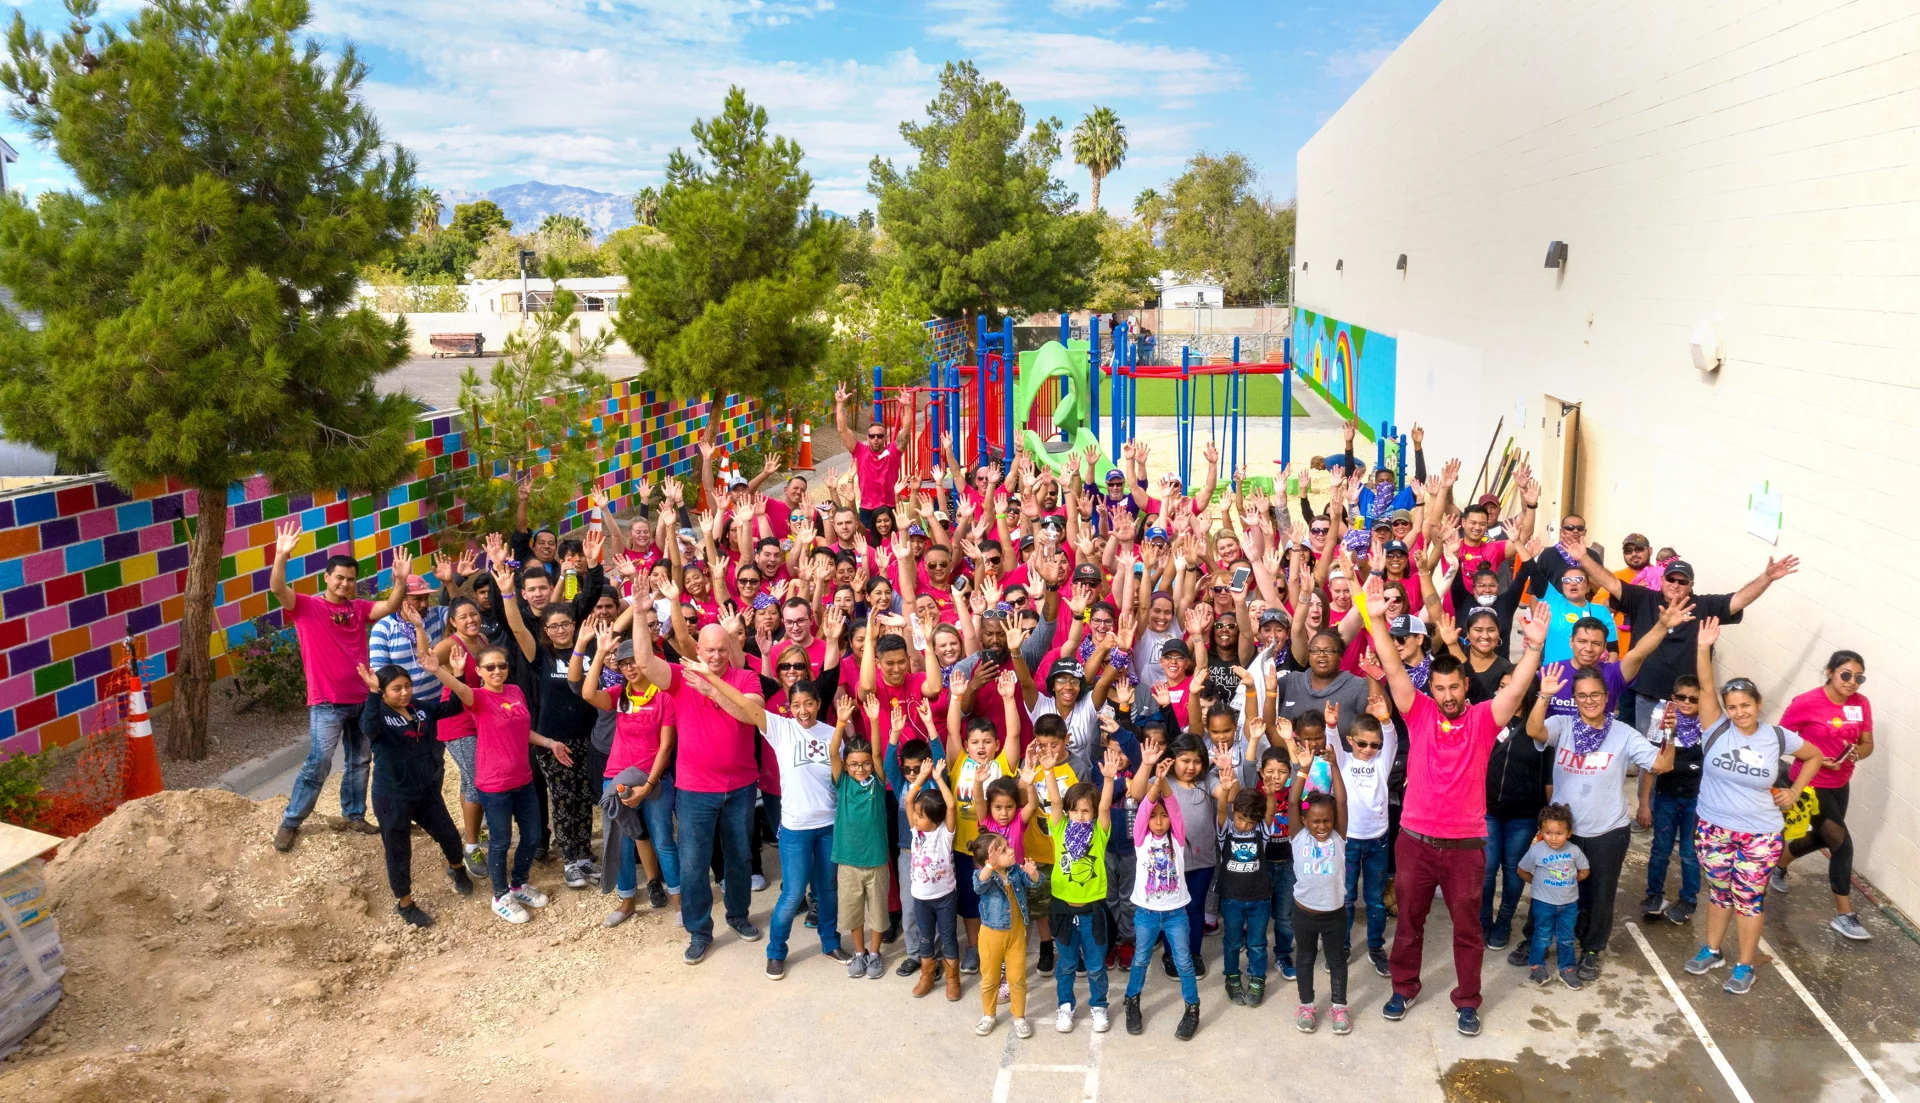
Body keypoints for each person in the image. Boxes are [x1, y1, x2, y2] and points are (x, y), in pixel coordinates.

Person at [1371, 589, 1547, 1037]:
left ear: (1466, 687)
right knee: (1409, 923)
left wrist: (1534, 647)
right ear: (1430, 688)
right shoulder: (1419, 713)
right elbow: (1392, 667)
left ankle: (1467, 1001)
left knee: (1468, 930)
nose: (1447, 695)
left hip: (1466, 846)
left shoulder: (1486, 719)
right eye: (1440, 688)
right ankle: (1403, 988)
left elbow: (1521, 687)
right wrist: (1375, 620)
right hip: (1415, 841)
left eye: (1454, 687)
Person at [1682, 617, 1825, 994]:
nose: (1739, 712)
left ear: (1758, 704)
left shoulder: (1777, 737)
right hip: (1713, 828)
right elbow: (1706, 685)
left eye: (1745, 705)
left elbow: (1814, 756)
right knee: (1718, 892)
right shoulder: (1714, 727)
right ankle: (1712, 949)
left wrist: (1794, 790)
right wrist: (1702, 648)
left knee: (1747, 900)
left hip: (1759, 834)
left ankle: (1745, 965)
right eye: (1732, 706)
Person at [690, 669, 851, 978]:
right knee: (792, 894)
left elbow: (838, 780)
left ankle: (830, 943)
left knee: (828, 890)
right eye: (796, 705)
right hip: (795, 829)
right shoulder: (780, 728)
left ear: (818, 703)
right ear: (788, 708)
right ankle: (776, 951)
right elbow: (741, 702)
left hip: (829, 826)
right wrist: (710, 678)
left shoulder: (834, 732)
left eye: (809, 704)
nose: (803, 711)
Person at [1524, 663, 1675, 983]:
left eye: (1595, 694)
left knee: (1600, 895)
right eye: (1582, 695)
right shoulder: (1562, 724)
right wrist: (1544, 696)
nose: (1589, 700)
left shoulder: (1623, 734)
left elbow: (1661, 764)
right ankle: (1537, 940)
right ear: (1574, 699)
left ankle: (1591, 950)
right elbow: (1534, 731)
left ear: (1608, 697)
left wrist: (1669, 734)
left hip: (1607, 831)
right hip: (1562, 834)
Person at [268, 519, 413, 851]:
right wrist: (281, 557)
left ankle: (354, 814)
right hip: (327, 702)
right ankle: (291, 821)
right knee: (319, 762)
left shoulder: (357, 608)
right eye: (340, 578)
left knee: (360, 761)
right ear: (327, 578)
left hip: (363, 699)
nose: (345, 584)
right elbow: (278, 588)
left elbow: (390, 606)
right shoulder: (307, 607)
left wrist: (401, 580)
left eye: (351, 579)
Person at [635, 615, 766, 964]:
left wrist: (712, 687)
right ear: (698, 648)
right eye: (709, 649)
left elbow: (750, 712)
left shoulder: (746, 676)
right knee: (693, 864)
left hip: (739, 786)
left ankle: (738, 916)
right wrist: (638, 613)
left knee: (740, 857)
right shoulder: (680, 677)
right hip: (694, 789)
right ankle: (699, 931)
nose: (716, 655)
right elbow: (645, 661)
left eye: (723, 648)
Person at [423, 639, 575, 923]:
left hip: (523, 779)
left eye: (502, 666)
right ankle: (500, 896)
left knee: (531, 837)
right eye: (489, 667)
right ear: (479, 671)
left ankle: (518, 885)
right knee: (500, 841)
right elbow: (460, 689)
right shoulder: (477, 697)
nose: (497, 671)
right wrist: (439, 670)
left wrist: (549, 742)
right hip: (494, 784)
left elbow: (522, 729)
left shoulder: (515, 691)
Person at [353, 652, 473, 927]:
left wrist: (457, 674)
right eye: (396, 689)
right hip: (393, 796)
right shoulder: (378, 714)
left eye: (407, 686)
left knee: (449, 835)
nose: (405, 692)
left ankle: (457, 871)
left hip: (426, 791)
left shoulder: (420, 708)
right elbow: (368, 727)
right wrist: (372, 693)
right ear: (383, 692)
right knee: (398, 849)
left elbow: (454, 707)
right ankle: (405, 904)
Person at [578, 617, 679, 929]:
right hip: (616, 777)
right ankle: (626, 901)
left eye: (635, 660)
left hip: (654, 780)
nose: (631, 667)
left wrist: (647, 787)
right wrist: (598, 653)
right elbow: (587, 694)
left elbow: (666, 747)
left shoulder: (664, 695)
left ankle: (679, 901)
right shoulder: (619, 694)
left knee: (662, 839)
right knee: (619, 842)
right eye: (624, 663)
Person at [1772, 650, 1874, 940]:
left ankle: (1779, 865)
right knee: (1841, 843)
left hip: (1841, 782)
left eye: (1859, 677)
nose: (1852, 682)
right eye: (1846, 674)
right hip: (1810, 783)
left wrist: (1857, 753)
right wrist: (1813, 756)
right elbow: (1780, 739)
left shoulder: (1861, 704)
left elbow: (1867, 743)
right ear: (1830, 671)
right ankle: (1845, 915)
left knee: (1822, 836)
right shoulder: (1806, 703)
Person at [1042, 745, 1124, 1034]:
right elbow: (1053, 801)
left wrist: (1110, 779)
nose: (1079, 815)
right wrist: (1049, 771)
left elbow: (1104, 806)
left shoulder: (1099, 833)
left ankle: (1099, 1006)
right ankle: (1065, 1006)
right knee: (1065, 965)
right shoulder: (1060, 827)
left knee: (1096, 966)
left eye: (1084, 810)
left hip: (1092, 911)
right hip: (1063, 909)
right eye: (1074, 810)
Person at [1122, 760, 1201, 1041]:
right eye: (1153, 816)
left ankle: (1192, 1007)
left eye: (1163, 816)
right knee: (1141, 959)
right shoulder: (1141, 838)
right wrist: (1155, 783)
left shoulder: (1177, 838)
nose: (1157, 821)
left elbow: (1172, 804)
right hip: (1146, 912)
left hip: (1176, 913)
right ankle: (1132, 1001)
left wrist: (1164, 780)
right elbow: (1145, 807)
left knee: (1184, 962)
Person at [1285, 722, 1351, 1035]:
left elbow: (1340, 802)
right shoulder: (1298, 837)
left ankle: (1339, 1007)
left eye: (1326, 821)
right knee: (1306, 959)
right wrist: (1303, 770)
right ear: (1306, 821)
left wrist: (1335, 766)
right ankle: (1307, 1005)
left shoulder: (1339, 837)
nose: (1321, 825)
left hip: (1335, 913)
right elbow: (1294, 803)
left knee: (1338, 961)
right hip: (1304, 912)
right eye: (1316, 821)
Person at [831, 694, 892, 979]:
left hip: (876, 859)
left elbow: (878, 755)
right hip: (848, 861)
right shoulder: (842, 781)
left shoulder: (878, 782)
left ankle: (876, 953)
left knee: (878, 911)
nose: (860, 768)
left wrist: (875, 719)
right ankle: (859, 953)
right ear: (845, 766)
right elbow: (833, 753)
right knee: (853, 912)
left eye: (864, 763)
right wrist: (842, 722)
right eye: (854, 764)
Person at [1212, 738, 1276, 1011]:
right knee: (1232, 941)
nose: (1245, 824)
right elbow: (1220, 810)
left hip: (1260, 898)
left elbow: (1270, 813)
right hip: (1232, 899)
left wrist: (1271, 794)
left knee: (1258, 942)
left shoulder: (1261, 832)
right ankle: (1233, 977)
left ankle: (1258, 978)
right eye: (1241, 818)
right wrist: (1226, 790)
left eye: (1251, 820)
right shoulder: (1226, 831)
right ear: (1234, 813)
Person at [1637, 674, 1705, 926]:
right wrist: (1645, 803)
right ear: (1673, 698)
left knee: (1689, 853)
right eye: (1681, 697)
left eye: (1693, 698)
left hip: (1695, 801)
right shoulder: (1662, 717)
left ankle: (1688, 900)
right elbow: (1651, 765)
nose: (1686, 702)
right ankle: (1654, 895)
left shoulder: (1707, 723)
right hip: (1665, 798)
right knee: (1660, 850)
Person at [1338, 698, 1398, 979]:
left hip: (1377, 840)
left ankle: (1375, 947)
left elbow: (1391, 737)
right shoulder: (1344, 760)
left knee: (1374, 900)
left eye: (1374, 745)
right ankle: (1343, 945)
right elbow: (1331, 740)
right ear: (1350, 741)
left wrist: (1385, 719)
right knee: (1347, 897)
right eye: (1362, 743)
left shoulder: (1382, 762)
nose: (1368, 750)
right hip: (1349, 839)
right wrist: (1329, 725)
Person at [969, 833, 1039, 1039]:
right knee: (990, 978)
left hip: (1016, 934)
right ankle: (989, 1015)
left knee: (1017, 978)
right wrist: (990, 867)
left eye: (1008, 846)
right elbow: (978, 886)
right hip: (991, 936)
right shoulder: (985, 876)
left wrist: (1033, 874)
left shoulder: (1016, 871)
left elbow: (1033, 882)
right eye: (1004, 850)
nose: (1011, 850)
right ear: (989, 859)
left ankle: (1019, 1017)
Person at [906, 755, 963, 1001]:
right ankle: (927, 976)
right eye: (915, 815)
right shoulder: (915, 831)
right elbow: (909, 799)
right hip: (921, 897)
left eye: (920, 815)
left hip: (945, 897)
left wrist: (939, 779)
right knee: (926, 937)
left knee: (949, 937)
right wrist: (922, 777)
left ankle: (952, 979)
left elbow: (950, 806)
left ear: (935, 818)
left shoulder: (944, 833)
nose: (915, 818)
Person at [1517, 803, 1589, 988]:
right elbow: (1522, 870)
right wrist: (1537, 882)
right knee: (1542, 936)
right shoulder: (1537, 850)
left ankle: (1567, 969)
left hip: (1569, 904)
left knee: (1566, 938)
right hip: (1543, 904)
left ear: (1569, 832)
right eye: (1548, 833)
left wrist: (1568, 883)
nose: (1554, 838)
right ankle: (1536, 966)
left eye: (1559, 833)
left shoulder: (1573, 851)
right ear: (1540, 831)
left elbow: (1584, 871)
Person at [834, 383, 909, 532]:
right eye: (872, 436)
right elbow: (842, 430)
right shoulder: (860, 451)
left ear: (885, 437)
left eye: (880, 436)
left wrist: (907, 406)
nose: (876, 439)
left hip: (889, 507)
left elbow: (905, 430)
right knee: (867, 545)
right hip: (867, 510)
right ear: (867, 438)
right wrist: (840, 404)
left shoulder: (893, 451)